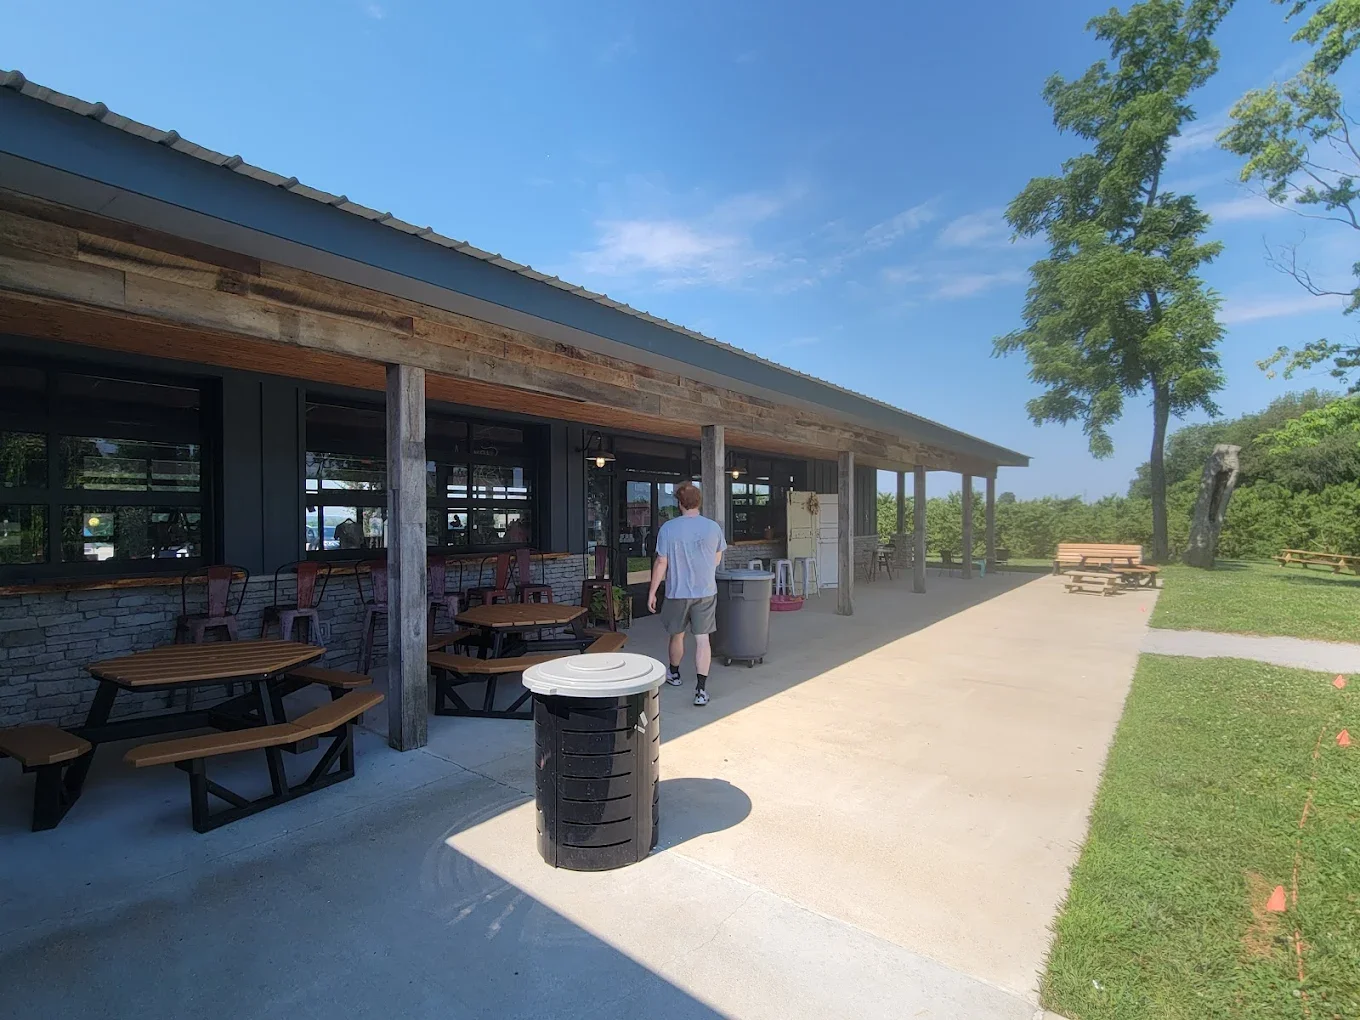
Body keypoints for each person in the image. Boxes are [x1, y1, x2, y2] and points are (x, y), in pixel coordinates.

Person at [647, 481, 727, 706]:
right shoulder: (713, 527)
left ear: (679, 503)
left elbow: (661, 562)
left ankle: (674, 674)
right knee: (703, 640)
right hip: (706, 591)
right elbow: (717, 558)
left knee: (677, 635)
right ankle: (701, 690)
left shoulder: (668, 528)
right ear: (698, 502)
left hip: (677, 592)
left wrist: (652, 592)